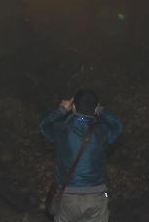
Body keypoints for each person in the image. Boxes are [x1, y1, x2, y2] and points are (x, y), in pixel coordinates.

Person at [40, 88, 123, 222]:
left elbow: (44, 126)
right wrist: (102, 110)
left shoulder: (62, 130)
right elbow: (118, 126)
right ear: (95, 108)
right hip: (97, 195)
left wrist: (61, 110)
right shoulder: (102, 131)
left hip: (68, 196)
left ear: (73, 107)